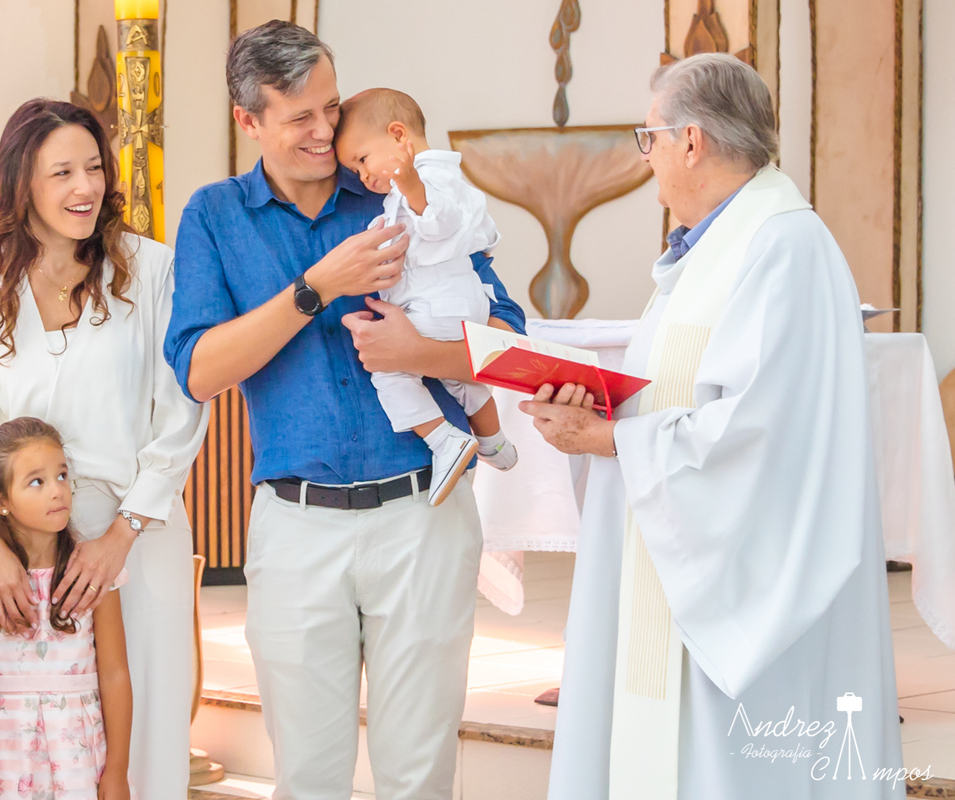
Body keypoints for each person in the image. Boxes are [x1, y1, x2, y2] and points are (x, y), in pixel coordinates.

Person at [522, 53, 903, 799]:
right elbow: (685, 393)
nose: (648, 158)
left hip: (741, 593)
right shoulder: (714, 249)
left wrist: (610, 439)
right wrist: (600, 411)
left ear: (690, 141)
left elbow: (765, 436)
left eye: (650, 137)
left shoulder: (782, 246)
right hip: (675, 562)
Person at [165, 20, 526, 800]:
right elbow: (197, 371)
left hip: (425, 513)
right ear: (247, 120)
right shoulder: (215, 216)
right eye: (300, 116)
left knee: (419, 775)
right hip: (296, 528)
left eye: (331, 107)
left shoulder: (400, 191)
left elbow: (509, 338)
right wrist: (317, 287)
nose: (327, 131)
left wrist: (418, 353)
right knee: (308, 777)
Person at [0, 99, 208, 798]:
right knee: (32, 744)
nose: (85, 187)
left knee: (144, 732)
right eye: (62, 173)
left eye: (93, 167)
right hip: (22, 550)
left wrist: (122, 535)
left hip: (138, 534)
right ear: (20, 182)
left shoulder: (151, 269)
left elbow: (182, 411)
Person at [333, 87, 518, 504]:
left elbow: (438, 221)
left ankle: (443, 441)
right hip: (458, 302)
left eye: (362, 160)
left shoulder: (425, 180)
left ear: (399, 135)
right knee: (459, 381)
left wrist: (412, 187)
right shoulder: (435, 181)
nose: (363, 177)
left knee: (389, 372)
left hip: (439, 305)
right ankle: (493, 442)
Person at [0, 418, 131, 800]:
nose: (57, 491)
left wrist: (117, 771)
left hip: (79, 759)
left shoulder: (93, 575)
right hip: (0, 759)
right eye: (36, 482)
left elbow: (114, 674)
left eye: (62, 475)